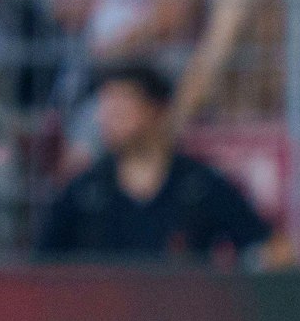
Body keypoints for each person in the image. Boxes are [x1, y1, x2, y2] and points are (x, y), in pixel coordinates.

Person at [35, 60, 284, 264]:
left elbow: (270, 247)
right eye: (105, 108)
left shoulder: (198, 186)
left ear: (157, 110)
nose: (109, 118)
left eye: (122, 105)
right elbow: (43, 267)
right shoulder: (85, 192)